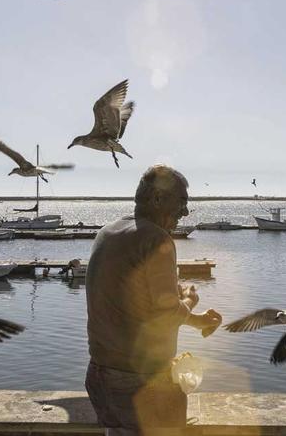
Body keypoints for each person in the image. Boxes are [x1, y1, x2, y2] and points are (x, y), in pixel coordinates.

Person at [85, 164, 221, 434]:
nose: (185, 211)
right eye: (182, 201)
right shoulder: (156, 238)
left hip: (100, 376)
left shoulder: (108, 231)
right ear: (158, 199)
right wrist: (190, 300)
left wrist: (196, 320)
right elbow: (166, 316)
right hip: (139, 382)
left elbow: (136, 303)